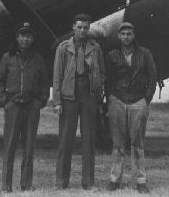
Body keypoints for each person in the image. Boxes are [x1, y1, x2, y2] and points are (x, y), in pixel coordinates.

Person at [52, 13, 105, 190]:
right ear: (73, 27)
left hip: (88, 95)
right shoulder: (63, 48)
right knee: (65, 139)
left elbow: (102, 72)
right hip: (69, 96)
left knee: (89, 140)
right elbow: (57, 77)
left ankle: (88, 182)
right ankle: (61, 181)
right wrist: (57, 102)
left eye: (86, 27)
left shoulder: (95, 48)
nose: (83, 30)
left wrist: (98, 90)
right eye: (79, 27)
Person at [0, 21, 50, 193]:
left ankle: (26, 184)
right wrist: (5, 101)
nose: (26, 39)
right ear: (17, 37)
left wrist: (40, 101)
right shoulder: (7, 58)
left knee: (29, 146)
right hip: (13, 106)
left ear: (33, 38)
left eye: (29, 36)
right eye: (23, 35)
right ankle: (6, 185)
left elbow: (44, 83)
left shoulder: (38, 59)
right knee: (9, 145)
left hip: (31, 107)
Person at [105, 22, 157, 194]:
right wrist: (111, 99)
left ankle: (141, 180)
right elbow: (108, 80)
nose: (126, 37)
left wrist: (145, 100)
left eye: (129, 33)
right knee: (117, 143)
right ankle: (114, 179)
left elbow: (152, 77)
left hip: (138, 102)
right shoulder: (112, 55)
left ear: (134, 36)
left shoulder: (145, 54)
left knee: (138, 143)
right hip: (117, 101)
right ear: (118, 36)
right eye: (123, 34)